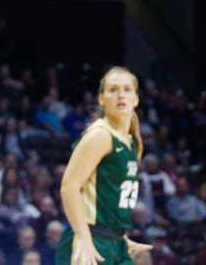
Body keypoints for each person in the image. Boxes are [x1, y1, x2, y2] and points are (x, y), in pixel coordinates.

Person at [57, 67, 153, 265]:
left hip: (115, 242)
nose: (121, 95)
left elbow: (110, 195)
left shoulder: (131, 142)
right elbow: (69, 186)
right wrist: (84, 237)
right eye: (113, 89)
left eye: (127, 89)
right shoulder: (100, 134)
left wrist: (120, 235)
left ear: (136, 99)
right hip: (90, 238)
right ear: (101, 99)